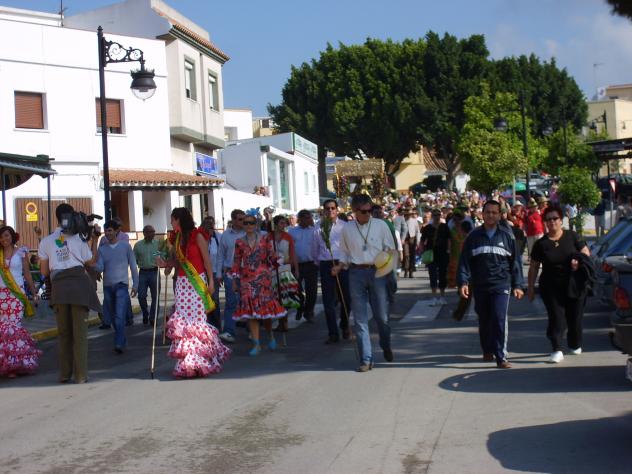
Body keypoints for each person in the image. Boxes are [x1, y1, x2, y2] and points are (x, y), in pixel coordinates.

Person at [160, 208, 230, 377]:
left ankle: (201, 360)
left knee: (196, 322)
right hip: (182, 284)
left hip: (197, 282)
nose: (171, 223)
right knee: (184, 323)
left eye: (172, 220)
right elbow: (177, 263)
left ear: (179, 220)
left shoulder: (197, 236)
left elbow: (207, 261)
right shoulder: (177, 239)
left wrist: (211, 282)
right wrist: (164, 264)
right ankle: (188, 363)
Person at [38, 203, 101, 383]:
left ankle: (64, 374)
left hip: (59, 289)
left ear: (57, 217)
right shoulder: (79, 239)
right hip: (79, 287)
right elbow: (91, 262)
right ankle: (81, 375)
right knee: (79, 334)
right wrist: (94, 240)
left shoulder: (46, 242)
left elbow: (43, 272)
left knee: (64, 333)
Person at [332, 194, 396, 372]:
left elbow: (391, 249)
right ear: (354, 211)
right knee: (359, 319)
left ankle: (386, 344)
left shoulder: (380, 225)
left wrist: (389, 269)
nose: (368, 214)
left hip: (377, 272)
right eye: (364, 211)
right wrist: (340, 266)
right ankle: (366, 359)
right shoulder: (347, 229)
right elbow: (344, 252)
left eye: (370, 210)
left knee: (382, 317)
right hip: (356, 272)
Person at [458, 200, 524, 369]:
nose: (490, 215)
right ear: (482, 214)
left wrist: (517, 285)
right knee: (485, 319)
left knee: (499, 318)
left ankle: (501, 356)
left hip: (501, 284)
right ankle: (487, 349)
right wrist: (463, 281)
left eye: (494, 212)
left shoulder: (507, 236)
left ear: (500, 214)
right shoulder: (473, 237)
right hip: (480, 285)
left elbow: (515, 262)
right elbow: (464, 261)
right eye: (488, 212)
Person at [527, 204, 591, 363]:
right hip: (551, 286)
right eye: (548, 220)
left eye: (555, 218)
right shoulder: (541, 244)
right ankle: (556, 348)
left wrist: (578, 259)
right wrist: (530, 288)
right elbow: (534, 266)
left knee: (575, 319)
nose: (552, 222)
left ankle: (574, 343)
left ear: (561, 220)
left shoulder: (572, 236)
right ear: (545, 223)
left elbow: (586, 252)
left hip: (574, 284)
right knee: (556, 317)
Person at [230, 214, 286, 356]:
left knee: (265, 313)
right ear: (242, 225)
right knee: (251, 313)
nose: (248, 225)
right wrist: (234, 281)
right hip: (247, 280)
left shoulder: (264, 239)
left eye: (251, 223)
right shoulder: (239, 242)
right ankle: (256, 344)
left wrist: (279, 260)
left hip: (263, 279)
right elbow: (236, 262)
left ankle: (271, 335)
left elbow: (271, 255)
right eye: (246, 223)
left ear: (256, 225)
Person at [0, 226, 41, 378]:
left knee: (13, 327)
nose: (4, 239)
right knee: (3, 329)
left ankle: (14, 363)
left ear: (12, 236)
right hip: (1, 296)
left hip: (17, 295)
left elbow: (27, 273)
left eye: (6, 235)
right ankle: (6, 364)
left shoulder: (21, 252)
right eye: (1, 237)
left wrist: (34, 292)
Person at [93, 220, 139, 354]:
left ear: (116, 231)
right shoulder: (102, 249)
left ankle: (119, 342)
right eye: (106, 231)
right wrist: (91, 265)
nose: (107, 233)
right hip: (107, 287)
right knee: (113, 317)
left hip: (121, 286)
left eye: (110, 230)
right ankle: (121, 339)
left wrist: (135, 285)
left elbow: (133, 266)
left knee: (119, 316)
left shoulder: (125, 246)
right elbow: (100, 267)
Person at [313, 199, 351, 344]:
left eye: (333, 208)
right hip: (325, 264)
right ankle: (333, 333)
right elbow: (314, 250)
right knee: (328, 301)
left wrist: (341, 265)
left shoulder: (344, 227)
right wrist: (321, 263)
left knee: (346, 298)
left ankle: (344, 324)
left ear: (337, 210)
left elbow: (348, 248)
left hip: (341, 263)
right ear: (323, 210)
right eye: (327, 208)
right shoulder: (318, 228)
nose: (330, 211)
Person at [216, 209, 246, 343]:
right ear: (233, 220)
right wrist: (218, 274)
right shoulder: (226, 235)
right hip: (230, 273)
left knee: (247, 301)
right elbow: (220, 255)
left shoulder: (249, 232)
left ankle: (252, 330)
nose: (242, 222)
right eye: (240, 219)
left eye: (243, 219)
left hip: (247, 273)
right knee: (231, 303)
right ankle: (229, 331)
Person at [270, 214, 301, 331]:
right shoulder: (269, 237)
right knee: (275, 297)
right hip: (272, 270)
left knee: (285, 296)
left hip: (285, 269)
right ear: (276, 224)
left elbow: (293, 254)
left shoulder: (288, 237)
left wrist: (296, 270)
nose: (283, 225)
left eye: (285, 223)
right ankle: (280, 321)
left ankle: (285, 321)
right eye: (281, 223)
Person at [288, 210, 319, 323]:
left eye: (309, 217)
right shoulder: (292, 231)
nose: (308, 220)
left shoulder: (315, 231)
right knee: (295, 289)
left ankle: (309, 311)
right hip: (297, 265)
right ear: (299, 219)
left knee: (312, 290)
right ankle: (300, 306)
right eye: (305, 217)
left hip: (311, 264)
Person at [133, 225, 166, 326]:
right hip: (143, 272)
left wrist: (162, 260)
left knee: (155, 296)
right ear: (144, 233)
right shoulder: (138, 245)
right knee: (141, 296)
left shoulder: (158, 244)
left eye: (153, 231)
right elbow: (134, 259)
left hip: (155, 272)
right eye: (150, 232)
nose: (152, 234)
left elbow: (164, 256)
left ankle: (153, 318)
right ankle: (145, 313)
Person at [421, 208, 451, 305]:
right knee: (432, 275)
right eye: (435, 215)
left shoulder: (445, 227)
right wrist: (423, 252)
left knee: (443, 275)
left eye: (438, 215)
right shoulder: (427, 228)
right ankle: (434, 297)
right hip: (431, 254)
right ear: (432, 216)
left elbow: (449, 239)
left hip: (443, 254)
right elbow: (422, 240)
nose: (437, 216)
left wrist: (448, 250)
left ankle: (442, 296)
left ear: (440, 216)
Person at [200, 216, 223, 330]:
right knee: (203, 300)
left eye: (211, 224)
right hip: (200, 274)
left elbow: (220, 257)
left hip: (213, 273)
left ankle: (216, 326)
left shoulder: (218, 237)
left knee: (215, 300)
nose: (209, 226)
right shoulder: (199, 238)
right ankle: (205, 326)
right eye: (207, 224)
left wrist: (219, 274)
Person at [446, 210, 469, 288]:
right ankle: (453, 282)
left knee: (463, 266)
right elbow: (449, 240)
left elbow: (467, 237)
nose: (456, 221)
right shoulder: (451, 229)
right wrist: (448, 250)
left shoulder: (464, 228)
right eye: (455, 220)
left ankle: (462, 282)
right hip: (454, 250)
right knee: (453, 266)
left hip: (463, 249)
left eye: (458, 219)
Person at [403, 207, 421, 278]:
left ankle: (411, 271)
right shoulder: (403, 221)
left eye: (410, 214)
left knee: (412, 255)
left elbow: (417, 232)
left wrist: (418, 241)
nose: (409, 215)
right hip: (405, 240)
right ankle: (406, 270)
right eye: (407, 214)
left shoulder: (414, 221)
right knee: (406, 255)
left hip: (412, 239)